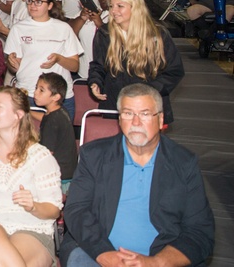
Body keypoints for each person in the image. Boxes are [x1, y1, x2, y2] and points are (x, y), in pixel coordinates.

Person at [61, 83, 215, 267]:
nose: (135, 122)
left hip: (159, 258)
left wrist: (156, 262)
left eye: (144, 114)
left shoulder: (183, 163)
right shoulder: (94, 156)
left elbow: (199, 231)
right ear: (119, 120)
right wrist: (104, 254)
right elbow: (77, 210)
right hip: (96, 252)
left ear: (160, 120)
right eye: (128, 113)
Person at [0, 87, 64, 267]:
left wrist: (33, 206)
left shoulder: (40, 156)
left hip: (31, 228)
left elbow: (53, 210)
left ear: (18, 115)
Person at [88, 0, 184, 125]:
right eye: (111, 6)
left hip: (148, 107)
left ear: (135, 8)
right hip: (115, 106)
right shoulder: (105, 33)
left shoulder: (157, 34)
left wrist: (148, 91)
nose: (114, 11)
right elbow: (98, 65)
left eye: (120, 6)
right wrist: (96, 82)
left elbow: (174, 71)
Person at [5, 0, 83, 119]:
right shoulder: (18, 29)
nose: (33, 6)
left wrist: (59, 59)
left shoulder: (63, 28)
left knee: (58, 138)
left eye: (38, 2)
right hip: (27, 93)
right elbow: (13, 67)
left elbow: (75, 66)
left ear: (50, 5)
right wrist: (12, 63)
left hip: (57, 97)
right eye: (29, 1)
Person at [33, 72, 77, 190]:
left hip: (59, 176)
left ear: (55, 97)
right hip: (69, 171)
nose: (35, 93)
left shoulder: (52, 122)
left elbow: (47, 153)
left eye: (41, 90)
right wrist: (28, 112)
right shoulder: (60, 111)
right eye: (36, 88)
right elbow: (44, 117)